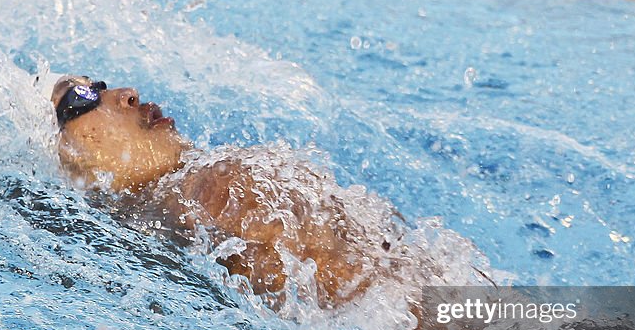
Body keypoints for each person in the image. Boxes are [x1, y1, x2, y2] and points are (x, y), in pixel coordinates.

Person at [50, 75, 417, 311]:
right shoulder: (209, 186)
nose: (127, 94)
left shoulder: (211, 185)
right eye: (80, 98)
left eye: (99, 83)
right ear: (70, 152)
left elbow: (382, 291)